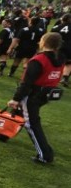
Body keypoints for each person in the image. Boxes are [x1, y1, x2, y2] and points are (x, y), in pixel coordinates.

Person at [7, 32, 65, 164]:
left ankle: (45, 155)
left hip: (34, 94)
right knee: (19, 113)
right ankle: (2, 133)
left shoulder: (39, 60)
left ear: (43, 42)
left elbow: (27, 83)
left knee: (31, 123)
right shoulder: (60, 58)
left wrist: (16, 99)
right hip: (46, 93)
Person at [50, 14, 70, 87]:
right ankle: (65, 78)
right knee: (68, 63)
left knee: (56, 62)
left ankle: (52, 76)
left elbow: (51, 36)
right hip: (69, 47)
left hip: (58, 46)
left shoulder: (56, 27)